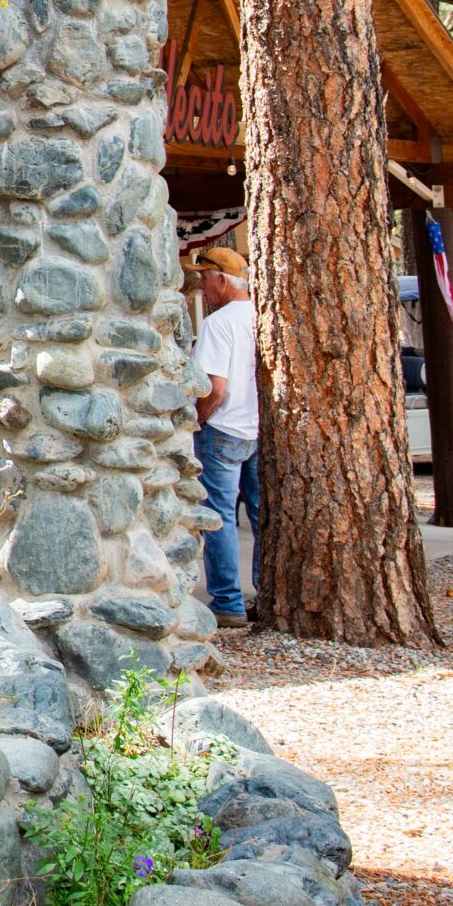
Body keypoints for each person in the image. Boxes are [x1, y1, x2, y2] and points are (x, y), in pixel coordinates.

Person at [190, 245, 258, 629]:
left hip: (224, 428)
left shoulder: (218, 324)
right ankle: (265, 590)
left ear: (221, 280)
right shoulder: (261, 317)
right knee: (260, 515)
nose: (202, 286)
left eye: (204, 278)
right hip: (257, 427)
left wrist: (198, 421)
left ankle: (228, 601)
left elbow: (214, 388)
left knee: (219, 517)